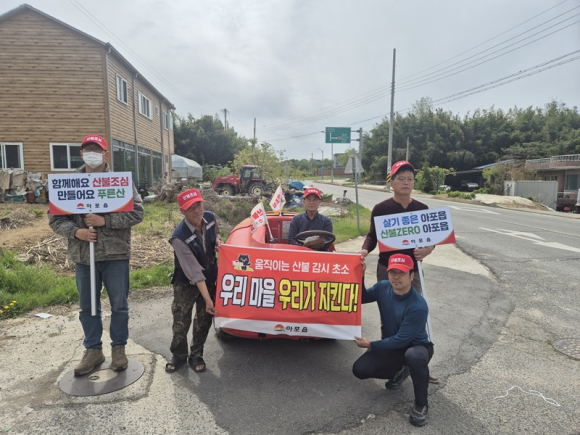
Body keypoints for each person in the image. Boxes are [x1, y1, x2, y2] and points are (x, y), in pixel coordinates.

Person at [49, 134, 144, 376]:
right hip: (84, 257)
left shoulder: (120, 183)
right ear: (81, 154)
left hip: (115, 255)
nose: (92, 153)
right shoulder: (68, 184)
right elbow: (56, 220)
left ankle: (119, 349)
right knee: (88, 307)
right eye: (88, 149)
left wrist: (105, 221)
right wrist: (77, 232)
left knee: (119, 305)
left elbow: (137, 213)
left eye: (97, 149)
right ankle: (93, 351)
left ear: (105, 154)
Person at [357, 160, 438, 384]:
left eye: (410, 179)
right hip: (387, 269)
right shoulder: (381, 209)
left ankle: (418, 363)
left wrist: (428, 249)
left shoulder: (421, 209)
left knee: (415, 316)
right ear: (391, 183)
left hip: (413, 271)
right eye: (400, 178)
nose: (406, 182)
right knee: (389, 316)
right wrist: (364, 249)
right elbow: (372, 235)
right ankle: (391, 360)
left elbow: (431, 239)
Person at [353, 254, 434, 427]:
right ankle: (402, 370)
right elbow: (361, 298)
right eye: (392, 272)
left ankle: (421, 404)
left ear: (412, 276)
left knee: (414, 356)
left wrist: (371, 344)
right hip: (393, 346)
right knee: (360, 369)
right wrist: (360, 275)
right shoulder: (383, 287)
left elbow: (401, 340)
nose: (396, 276)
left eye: (401, 273)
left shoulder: (418, 306)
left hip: (417, 347)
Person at [165, 189, 222, 374]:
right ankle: (179, 354)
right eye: (191, 208)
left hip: (210, 275)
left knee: (204, 319)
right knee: (181, 320)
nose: (197, 210)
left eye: (198, 205)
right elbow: (195, 273)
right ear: (182, 211)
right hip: (186, 282)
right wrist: (208, 299)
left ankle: (196, 354)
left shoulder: (210, 217)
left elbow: (216, 232)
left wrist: (218, 241)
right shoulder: (179, 237)